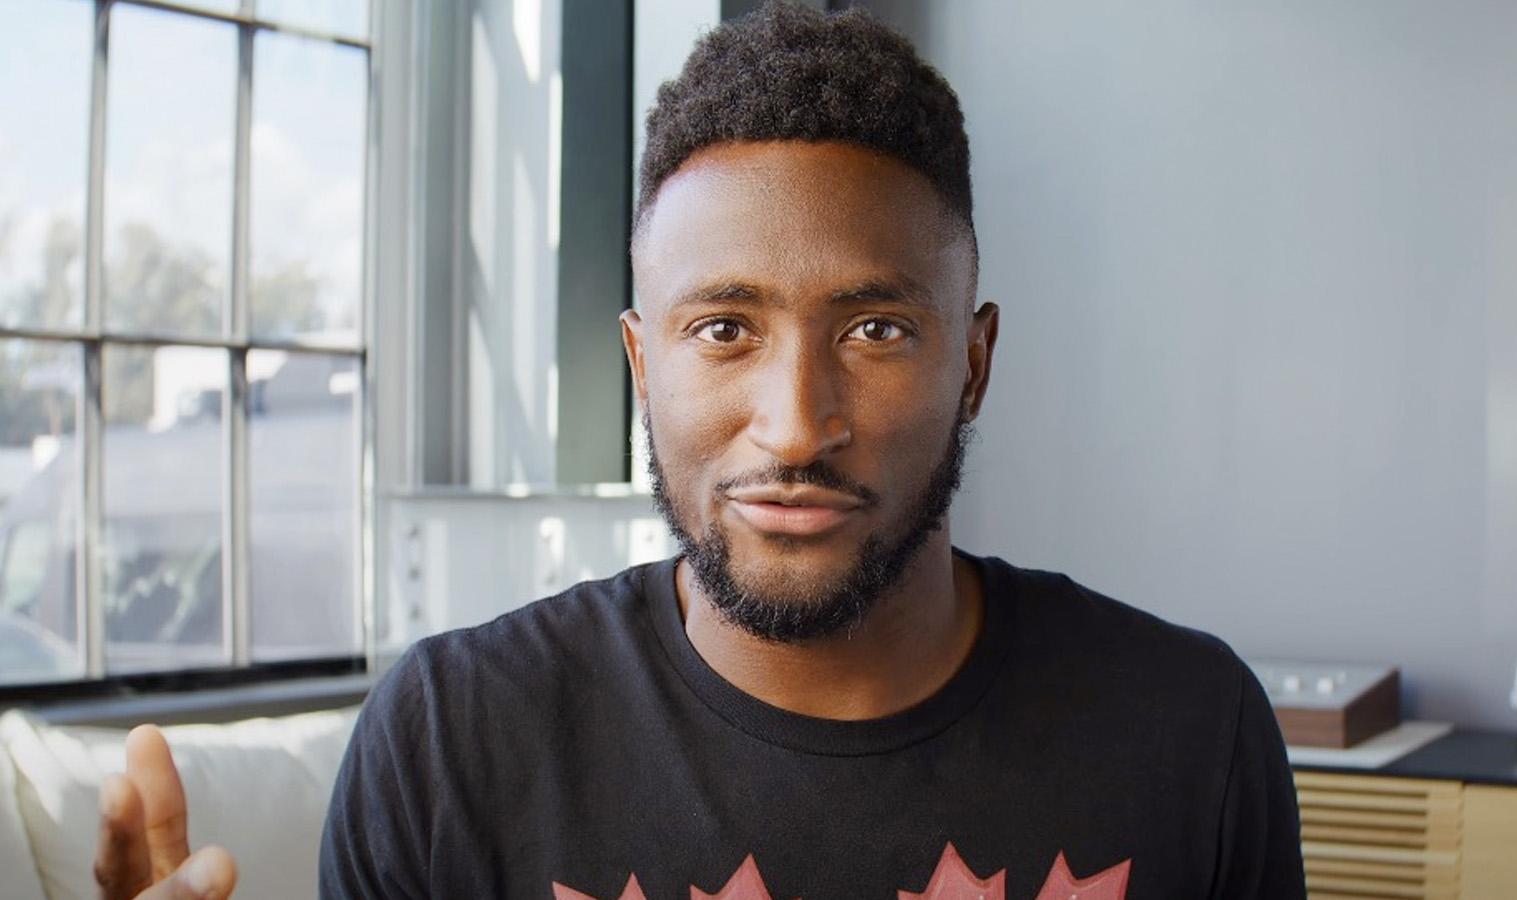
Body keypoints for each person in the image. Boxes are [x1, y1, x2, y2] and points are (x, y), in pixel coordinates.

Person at [94, 5, 1305, 898]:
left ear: (974, 362)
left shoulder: (1191, 733)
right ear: (640, 363)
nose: (793, 423)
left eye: (876, 329)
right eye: (722, 329)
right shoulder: (452, 741)